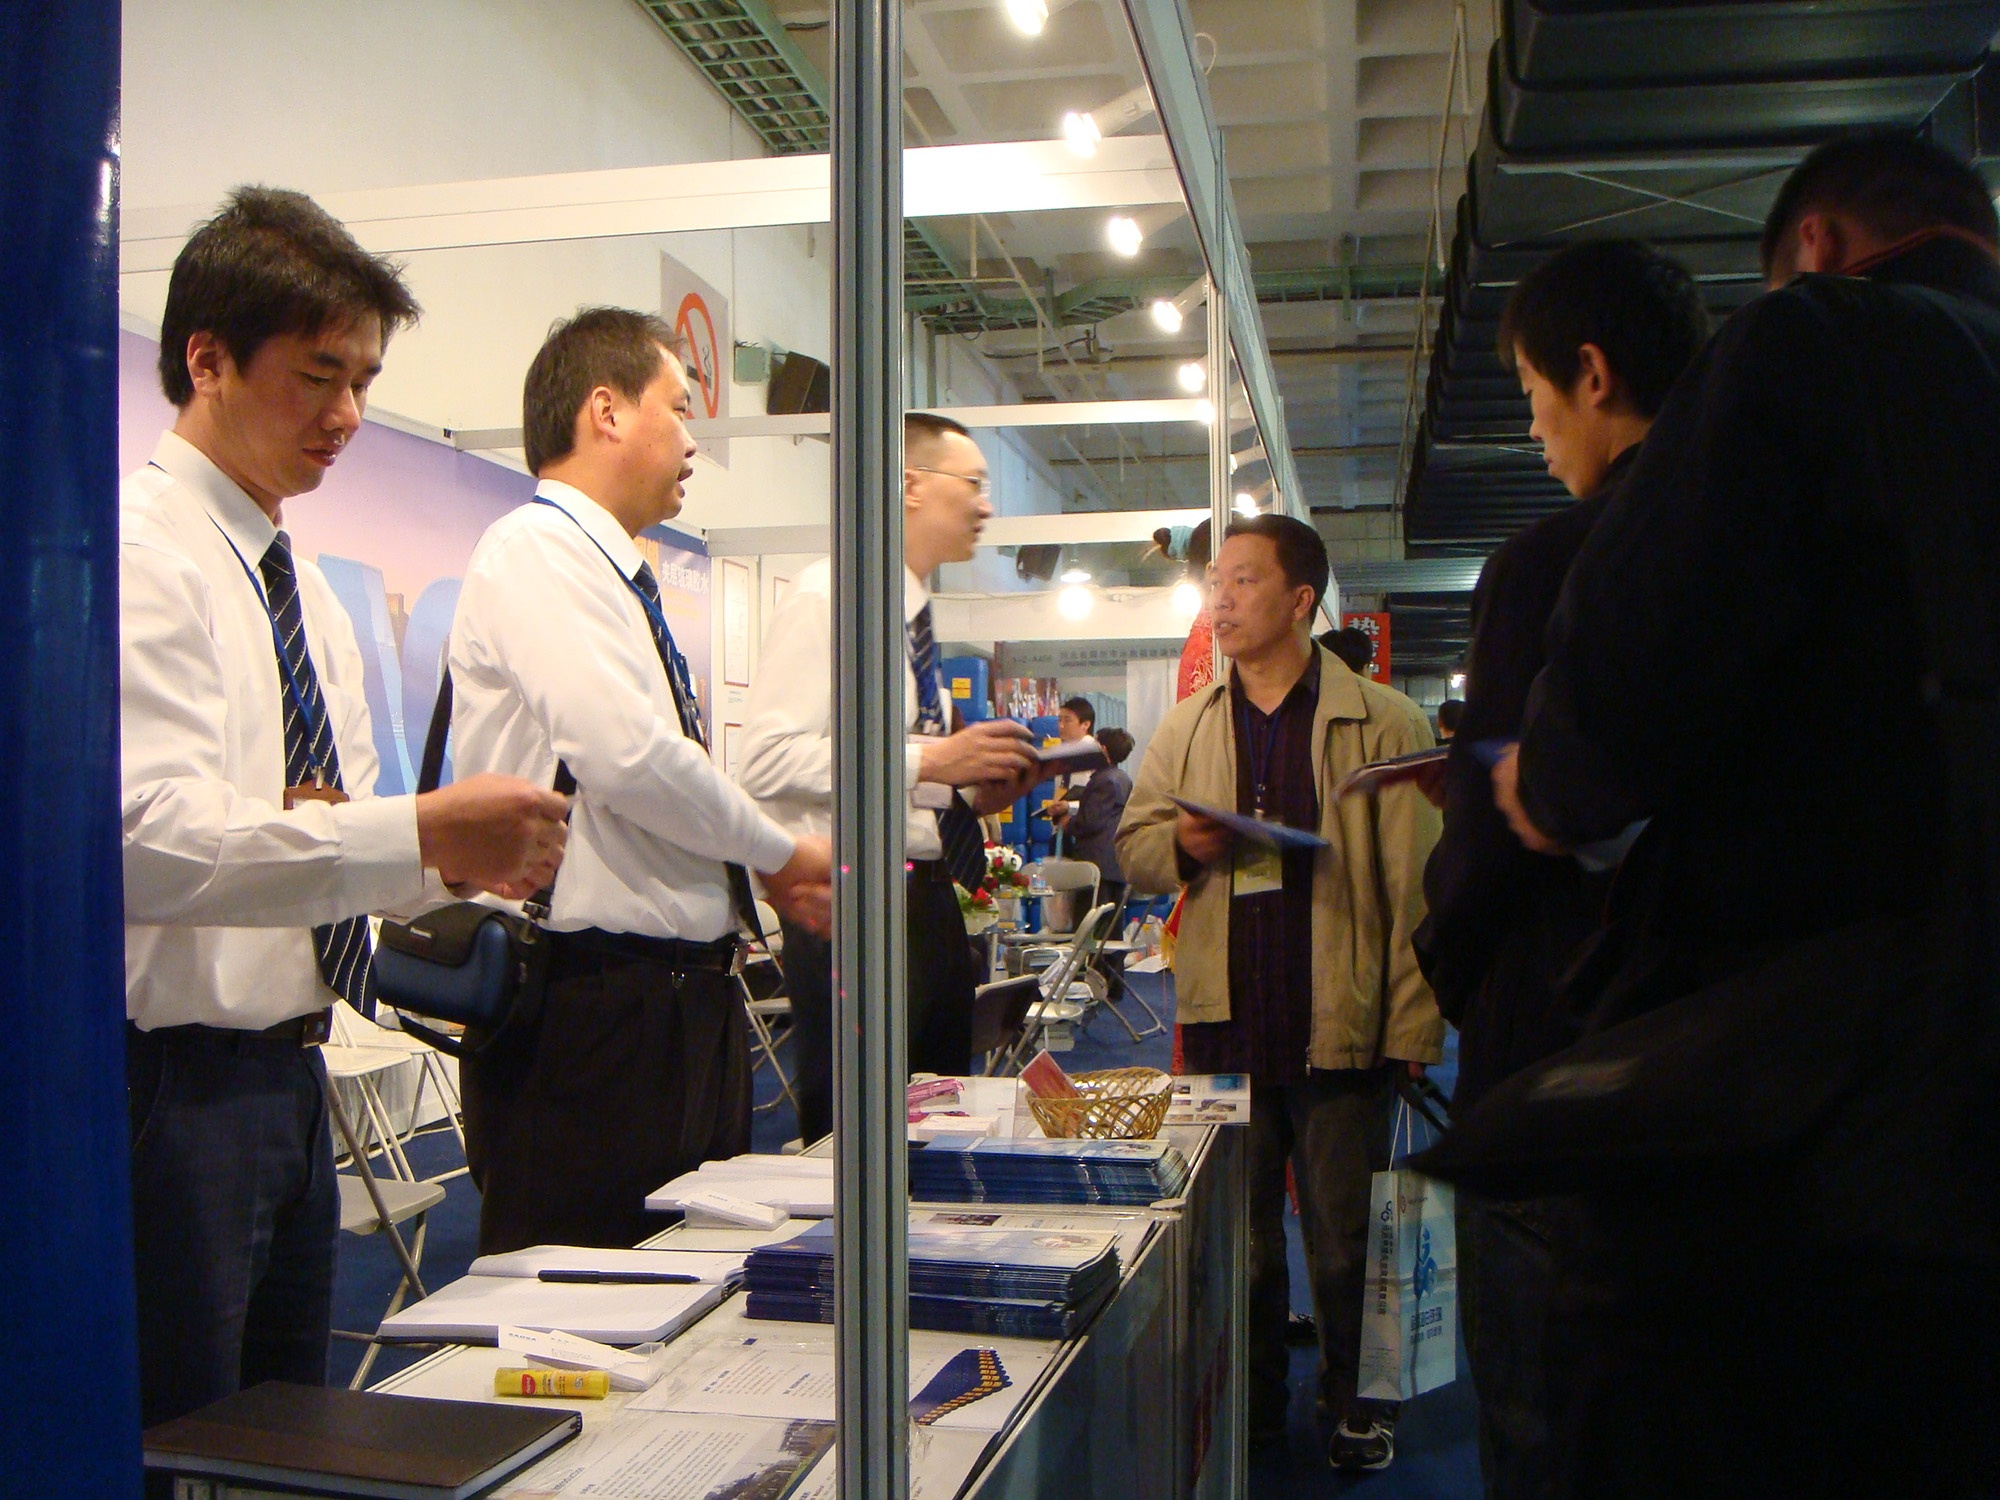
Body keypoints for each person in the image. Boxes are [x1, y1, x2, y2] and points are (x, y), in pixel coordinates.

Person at [1458, 134, 2000, 1497]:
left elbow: (1620, 694)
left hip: (1817, 1130)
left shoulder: (1819, 341)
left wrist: (1542, 784)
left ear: (1813, 245)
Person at [120, 187, 571, 1431]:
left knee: (285, 1437)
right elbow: (145, 845)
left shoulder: (307, 592)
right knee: (181, 1437)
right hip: (166, 1089)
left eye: (365, 380)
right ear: (207, 358)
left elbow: (337, 834)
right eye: (319, 376)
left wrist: (450, 860)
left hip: (291, 1073)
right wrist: (409, 833)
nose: (348, 417)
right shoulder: (139, 557)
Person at [1412, 238, 1709, 1500]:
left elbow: (1496, 833)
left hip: (1560, 1049)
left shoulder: (1555, 563)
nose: (1534, 434)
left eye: (1535, 398)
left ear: (1591, 375)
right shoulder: (1793, 541)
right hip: (1740, 1066)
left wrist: (1443, 958)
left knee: (1547, 1419)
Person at [447, 307, 832, 1254]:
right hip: (592, 1005)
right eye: (680, 406)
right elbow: (626, 754)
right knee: (577, 1290)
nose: (695, 441)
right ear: (606, 411)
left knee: (693, 1280)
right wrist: (777, 851)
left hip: (673, 1001)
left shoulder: (610, 572)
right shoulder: (536, 549)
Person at [1116, 515, 1444, 1474]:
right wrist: (1184, 846)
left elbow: (1417, 894)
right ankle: (1250, 1401)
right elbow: (1135, 850)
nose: (1220, 600)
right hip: (1225, 1024)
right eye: (1215, 581)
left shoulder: (1386, 722)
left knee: (1346, 1240)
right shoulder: (1189, 724)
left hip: (1340, 1022)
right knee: (1241, 1243)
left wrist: (1413, 1026)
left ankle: (1358, 1404)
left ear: (1301, 600)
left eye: (1244, 581)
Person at [737, 412, 1040, 1145]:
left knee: (937, 1126)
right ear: (910, 485)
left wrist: (969, 790)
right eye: (973, 484)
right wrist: (930, 761)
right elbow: (767, 758)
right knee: (860, 1134)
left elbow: (900, 770)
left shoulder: (911, 613)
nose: (985, 505)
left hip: (926, 900)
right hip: (857, 903)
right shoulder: (832, 597)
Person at [1049, 726, 1135, 916]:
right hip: (1114, 864)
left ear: (1102, 750)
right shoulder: (1123, 779)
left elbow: (1091, 821)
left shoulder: (1104, 781)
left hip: (1097, 865)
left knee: (1091, 924)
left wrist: (1068, 823)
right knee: (1110, 925)